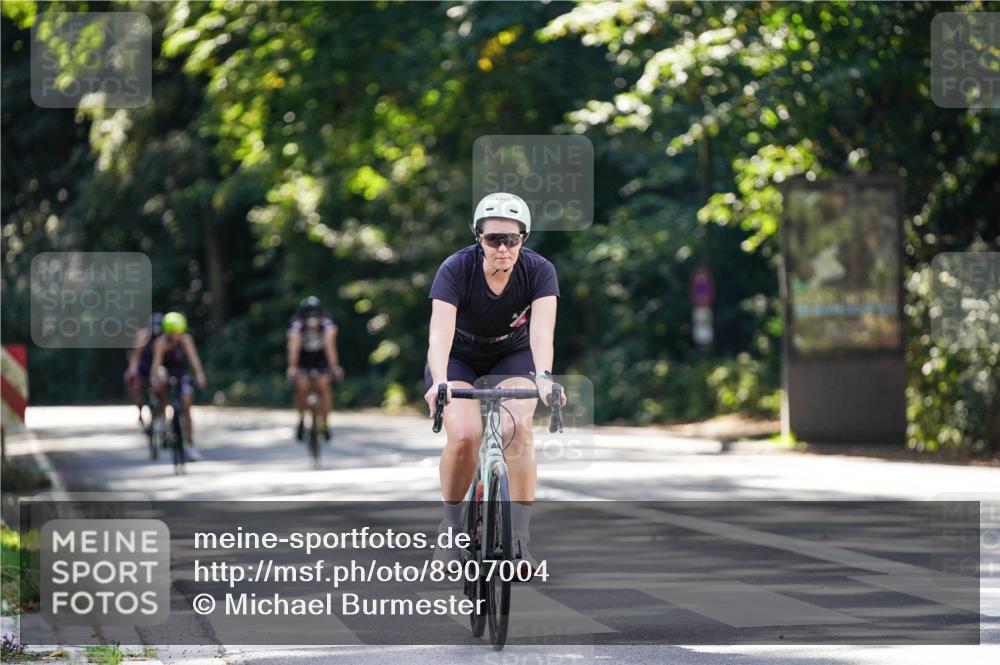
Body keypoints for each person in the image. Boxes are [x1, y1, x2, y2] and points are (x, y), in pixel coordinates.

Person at [423, 192, 565, 573]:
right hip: (459, 357)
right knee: (466, 434)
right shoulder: (455, 269)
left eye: (511, 239)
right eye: (493, 239)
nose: (502, 248)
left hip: (512, 356)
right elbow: (439, 335)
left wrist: (546, 379)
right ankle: (451, 530)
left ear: (524, 238)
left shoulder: (539, 271)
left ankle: (519, 540)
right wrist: (439, 382)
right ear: (478, 237)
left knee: (517, 429)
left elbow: (542, 336)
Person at [150, 312, 207, 461]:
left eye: (178, 332)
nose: (176, 336)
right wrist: (156, 376)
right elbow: (157, 363)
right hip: (166, 372)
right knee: (161, 383)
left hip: (181, 374)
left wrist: (199, 375)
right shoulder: (161, 342)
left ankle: (189, 443)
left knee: (187, 404)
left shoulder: (186, 340)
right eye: (173, 333)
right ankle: (162, 419)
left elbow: (194, 359)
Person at [287, 296, 344, 442]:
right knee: (302, 387)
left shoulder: (327, 323)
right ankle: (300, 420)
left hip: (320, 359)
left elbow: (330, 346)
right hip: (303, 359)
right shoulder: (297, 323)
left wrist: (334, 366)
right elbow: (294, 346)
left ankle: (324, 423)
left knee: (323, 386)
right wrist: (292, 367)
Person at [124, 312, 163, 425]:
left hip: (157, 367)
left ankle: (160, 413)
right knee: (129, 378)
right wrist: (133, 370)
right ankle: (139, 404)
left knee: (162, 382)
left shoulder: (164, 337)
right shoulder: (143, 336)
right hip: (143, 366)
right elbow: (135, 356)